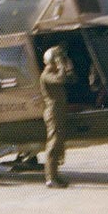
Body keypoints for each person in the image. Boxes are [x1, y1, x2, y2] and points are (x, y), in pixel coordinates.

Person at [39, 45, 77, 188]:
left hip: (59, 111)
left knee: (59, 144)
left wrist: (68, 66)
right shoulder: (46, 74)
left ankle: (55, 176)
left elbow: (72, 79)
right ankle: (50, 178)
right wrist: (61, 64)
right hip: (53, 112)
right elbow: (61, 79)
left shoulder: (54, 72)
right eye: (58, 59)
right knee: (53, 144)